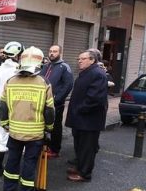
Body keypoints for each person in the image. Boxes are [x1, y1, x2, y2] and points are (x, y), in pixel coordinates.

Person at [1, 46, 54, 191]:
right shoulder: (44, 82)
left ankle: (8, 188)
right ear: (39, 64)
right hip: (35, 133)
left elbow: (3, 105)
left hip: (14, 131)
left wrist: (5, 123)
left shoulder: (10, 81)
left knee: (12, 159)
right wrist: (49, 129)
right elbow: (49, 110)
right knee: (29, 163)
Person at [65, 50, 108, 182]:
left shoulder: (97, 74)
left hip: (89, 120)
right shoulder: (86, 73)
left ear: (92, 60)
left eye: (83, 59)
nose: (79, 61)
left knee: (87, 148)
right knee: (80, 146)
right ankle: (80, 166)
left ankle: (85, 173)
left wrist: (80, 109)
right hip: (80, 119)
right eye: (79, 59)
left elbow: (95, 99)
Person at [0, 42, 20, 177]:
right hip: (18, 108)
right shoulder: (19, 71)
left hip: (0, 107)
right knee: (18, 137)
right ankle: (13, 168)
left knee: (1, 136)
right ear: (18, 55)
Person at [40, 45, 73, 158]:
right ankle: (44, 146)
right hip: (42, 102)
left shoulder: (64, 67)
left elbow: (68, 85)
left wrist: (57, 99)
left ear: (60, 53)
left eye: (55, 51)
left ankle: (54, 149)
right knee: (43, 125)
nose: (52, 53)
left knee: (55, 127)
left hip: (56, 104)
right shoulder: (45, 66)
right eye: (50, 51)